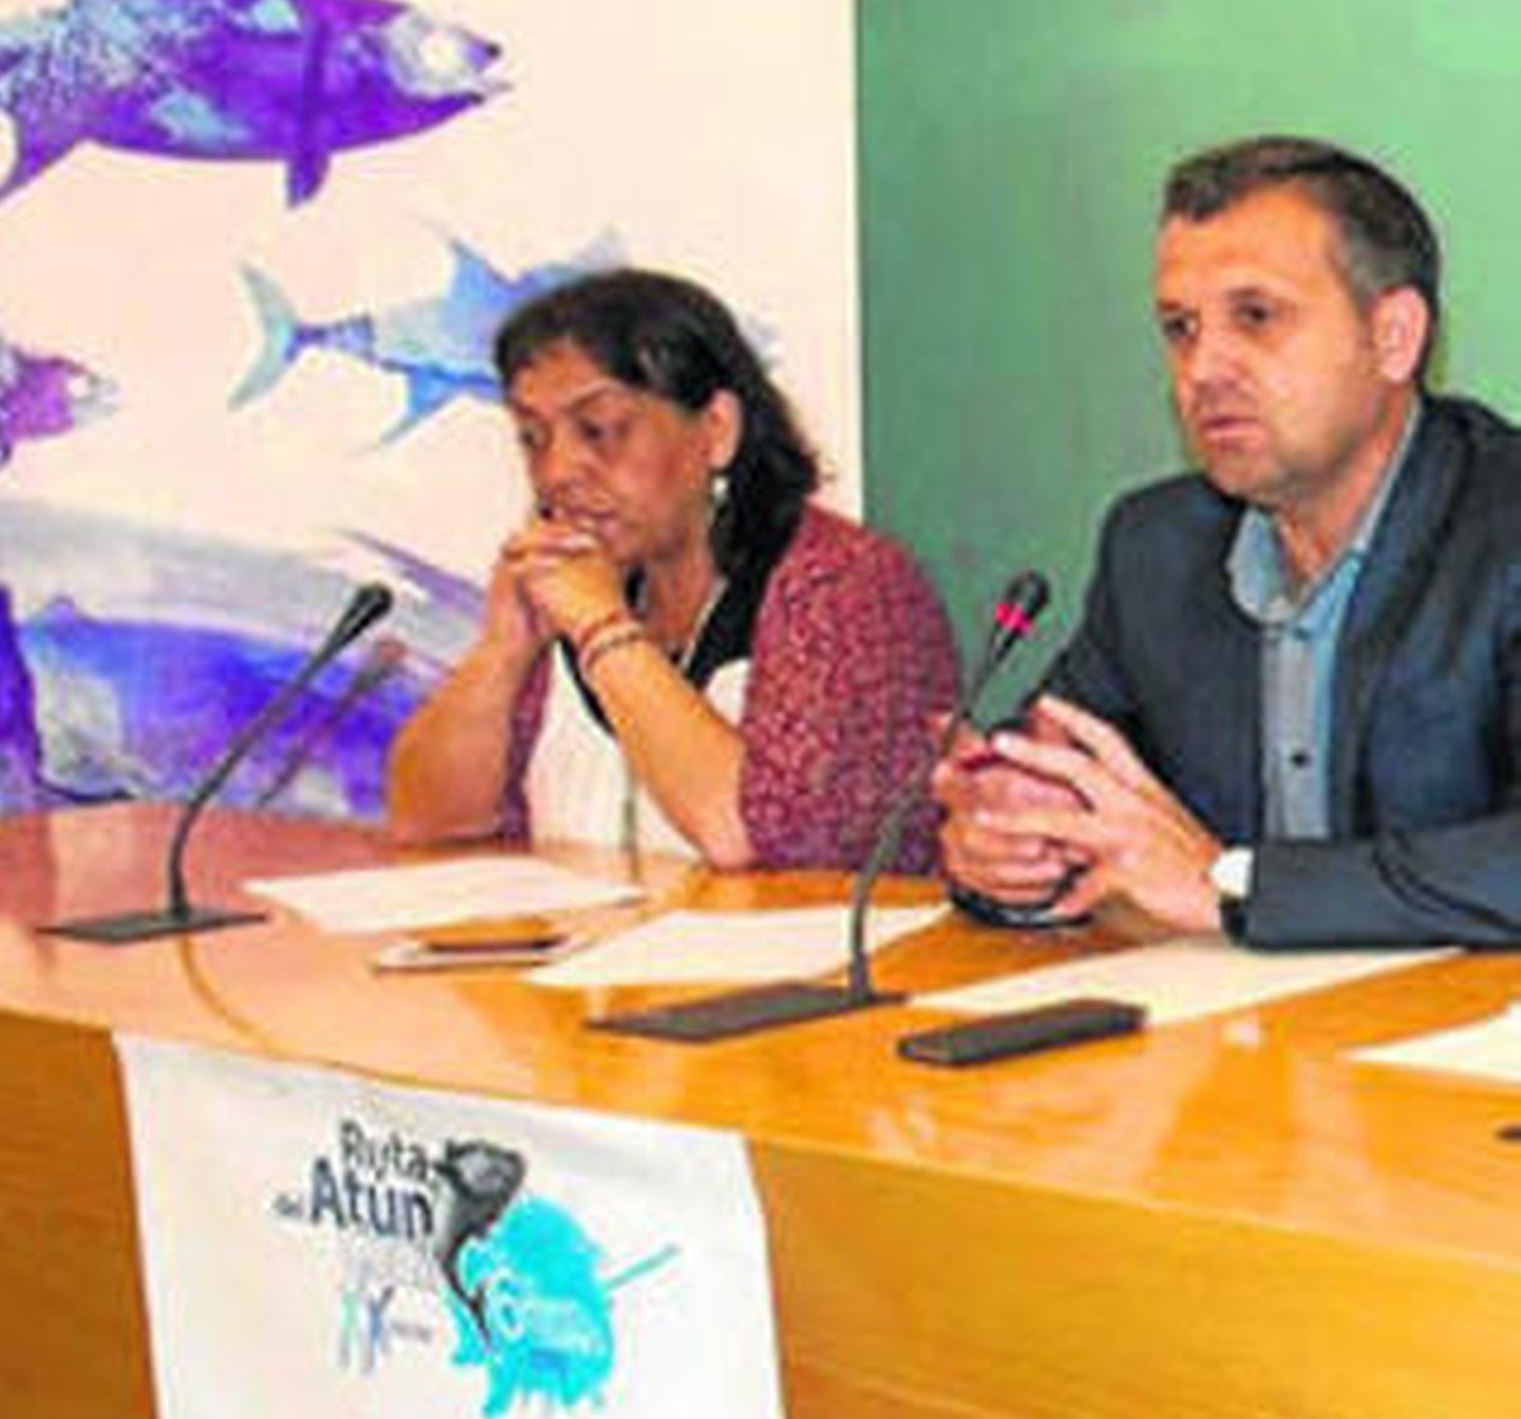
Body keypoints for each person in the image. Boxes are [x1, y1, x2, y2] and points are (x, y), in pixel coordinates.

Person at [936, 135, 1521, 947]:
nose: (1204, 368)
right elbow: (1064, 779)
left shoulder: (1502, 521)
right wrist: (1010, 839)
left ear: (1393, 335)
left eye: (1257, 316)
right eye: (1181, 327)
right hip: (1236, 1021)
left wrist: (1233, 884)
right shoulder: (1157, 547)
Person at [388, 266, 960, 870]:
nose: (556, 472)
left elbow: (745, 834)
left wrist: (604, 630)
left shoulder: (842, 587)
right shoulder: (580, 588)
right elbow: (429, 824)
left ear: (717, 430)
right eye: (532, 437)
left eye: (599, 430)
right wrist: (503, 651)